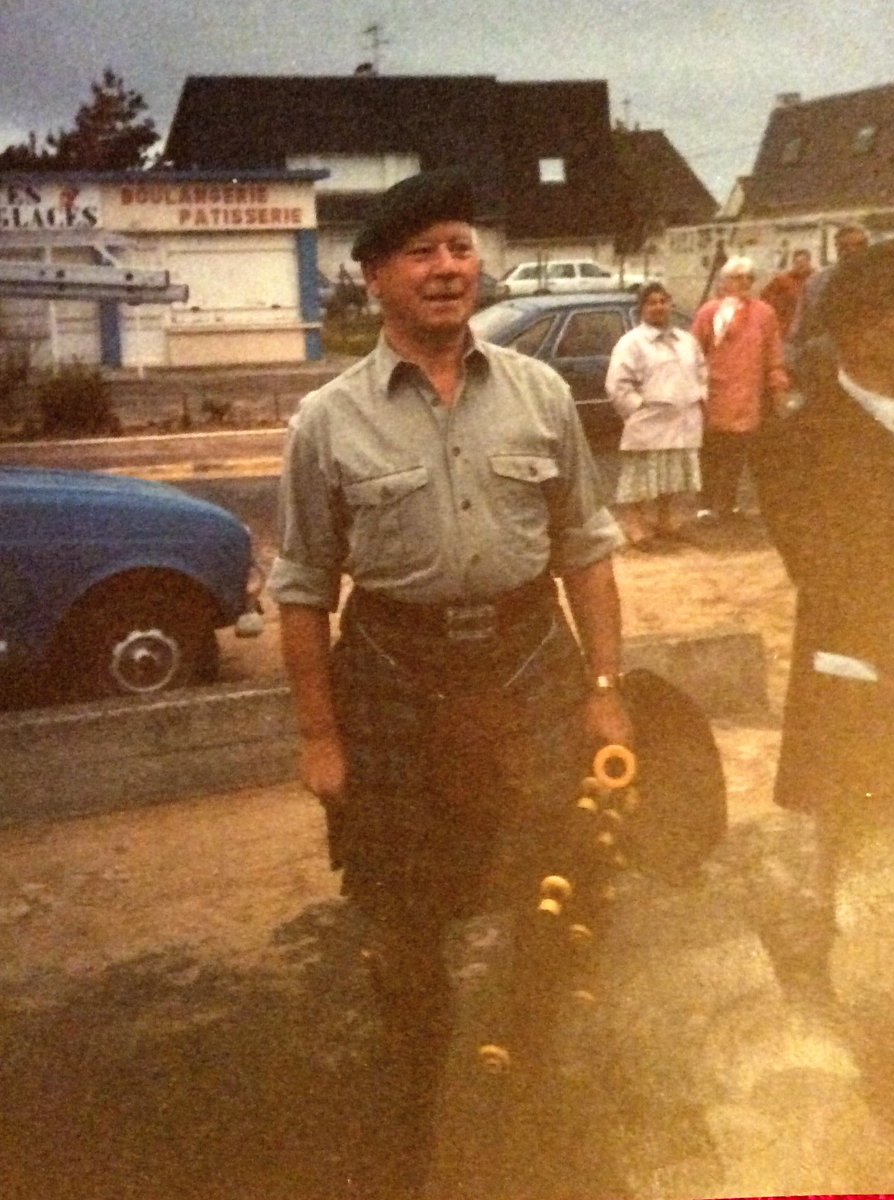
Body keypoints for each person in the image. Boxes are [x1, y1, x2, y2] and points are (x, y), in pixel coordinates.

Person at [268, 168, 632, 1194]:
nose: (447, 269)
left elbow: (587, 551)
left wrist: (605, 683)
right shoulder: (326, 423)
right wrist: (320, 735)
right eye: (421, 252)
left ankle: (535, 1071)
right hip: (392, 670)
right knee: (402, 895)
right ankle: (421, 1083)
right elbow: (302, 590)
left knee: (553, 873)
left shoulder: (541, 393)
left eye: (461, 248)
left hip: (530, 662)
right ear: (375, 276)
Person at [763, 237, 894, 1006]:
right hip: (858, 674)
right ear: (856, 330)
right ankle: (852, 990)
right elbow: (826, 568)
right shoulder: (800, 440)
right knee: (854, 837)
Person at [605, 281, 706, 547]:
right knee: (639, 483)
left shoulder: (687, 341)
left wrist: (698, 397)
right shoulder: (631, 343)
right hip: (649, 424)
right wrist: (638, 408)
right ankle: (635, 527)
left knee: (673, 478)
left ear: (670, 304)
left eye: (663, 301)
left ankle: (667, 523)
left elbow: (701, 372)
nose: (659, 307)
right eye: (652, 302)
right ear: (641, 309)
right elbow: (617, 385)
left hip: (684, 422)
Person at [691, 255, 789, 522]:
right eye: (737, 277)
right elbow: (694, 353)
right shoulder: (708, 312)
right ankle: (706, 504)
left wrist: (778, 387)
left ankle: (729, 503)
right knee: (711, 450)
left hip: (748, 395)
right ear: (724, 282)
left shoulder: (764, 313)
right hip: (714, 394)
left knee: (738, 451)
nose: (744, 282)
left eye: (749, 277)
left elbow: (774, 354)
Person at [784, 223, 869, 384]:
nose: (852, 251)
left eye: (860, 245)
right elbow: (797, 332)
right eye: (845, 246)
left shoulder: (884, 281)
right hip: (829, 368)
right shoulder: (817, 283)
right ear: (837, 249)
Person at [760, 247, 814, 338]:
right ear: (793, 263)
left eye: (803, 263)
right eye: (797, 263)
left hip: (810, 330)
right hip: (786, 329)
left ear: (809, 262)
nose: (800, 266)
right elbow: (765, 300)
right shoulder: (781, 280)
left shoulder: (817, 279)